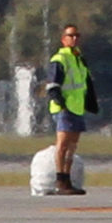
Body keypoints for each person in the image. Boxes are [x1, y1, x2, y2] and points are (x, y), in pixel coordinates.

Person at [43, 23, 98, 195]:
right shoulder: (60, 59)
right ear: (63, 39)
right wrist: (61, 103)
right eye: (70, 36)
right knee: (63, 145)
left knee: (72, 146)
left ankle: (67, 178)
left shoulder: (79, 59)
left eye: (76, 36)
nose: (74, 39)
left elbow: (85, 83)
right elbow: (52, 85)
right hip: (65, 108)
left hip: (77, 107)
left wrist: (90, 101)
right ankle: (60, 179)